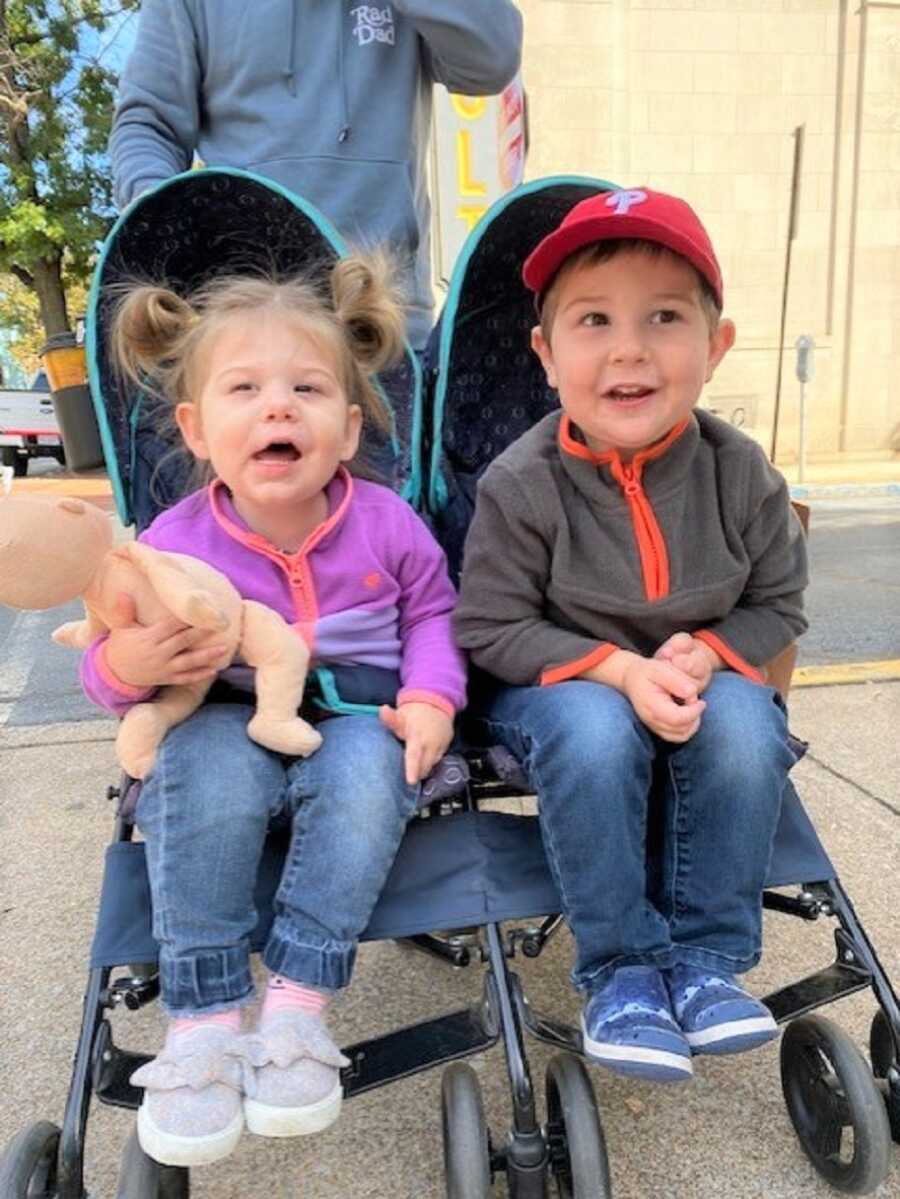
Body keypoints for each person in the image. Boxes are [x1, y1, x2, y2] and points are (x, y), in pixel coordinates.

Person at [80, 253, 466, 1165]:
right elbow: (104, 664)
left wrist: (431, 697)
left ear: (348, 423)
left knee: (376, 774)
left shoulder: (385, 523)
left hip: (358, 714)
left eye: (308, 388)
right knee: (200, 774)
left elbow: (435, 614)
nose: (278, 406)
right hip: (221, 710)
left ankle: (295, 1008)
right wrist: (130, 662)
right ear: (199, 429)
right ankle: (205, 1019)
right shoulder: (172, 543)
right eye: (244, 388)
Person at [454, 187, 807, 1084]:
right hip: (550, 691)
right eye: (593, 320)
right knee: (597, 726)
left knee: (744, 717)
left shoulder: (740, 472)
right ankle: (619, 968)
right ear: (545, 352)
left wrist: (712, 648)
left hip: (691, 680)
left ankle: (704, 958)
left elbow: (779, 600)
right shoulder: (523, 481)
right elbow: (489, 626)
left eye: (664, 317)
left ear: (714, 345)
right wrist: (613, 668)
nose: (628, 348)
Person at [109, 0, 523, 351]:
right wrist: (165, 232)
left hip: (384, 324)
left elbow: (492, 61)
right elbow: (148, 124)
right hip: (239, 321)